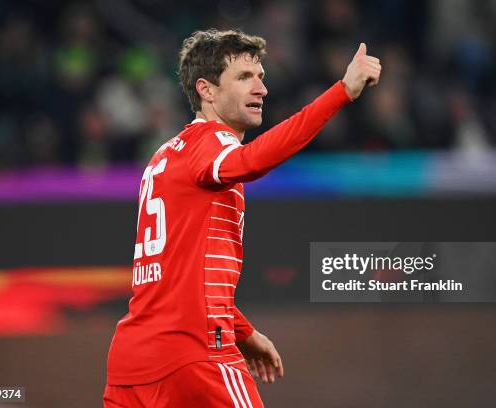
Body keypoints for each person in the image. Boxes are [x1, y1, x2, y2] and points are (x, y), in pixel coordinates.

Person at [104, 29, 381, 407]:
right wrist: (342, 92)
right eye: (244, 77)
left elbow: (181, 278)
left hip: (131, 365)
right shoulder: (212, 143)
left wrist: (244, 333)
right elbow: (252, 161)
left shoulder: (164, 156)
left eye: (261, 77)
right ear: (207, 90)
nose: (261, 89)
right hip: (197, 355)